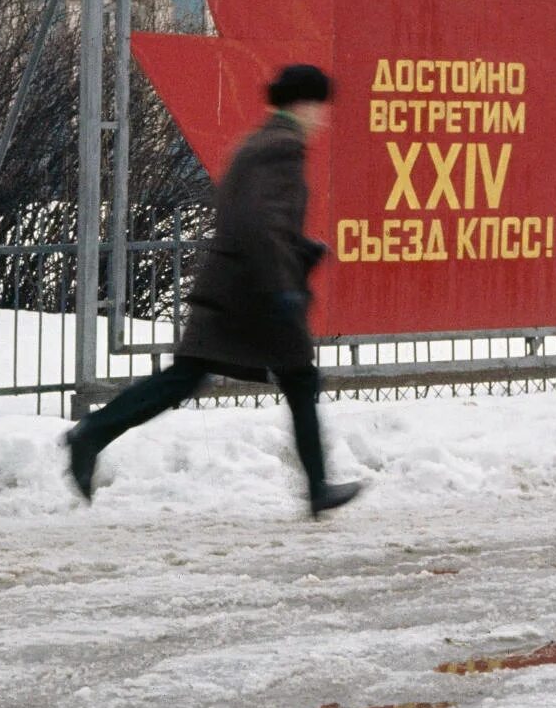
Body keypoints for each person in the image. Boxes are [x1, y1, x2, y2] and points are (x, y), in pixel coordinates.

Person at [64, 64, 362, 517]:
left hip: (238, 287)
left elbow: (255, 219)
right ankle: (318, 487)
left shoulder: (258, 144)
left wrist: (300, 248)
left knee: (191, 377)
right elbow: (260, 225)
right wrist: (285, 285)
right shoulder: (281, 149)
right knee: (295, 379)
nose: (324, 117)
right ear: (304, 104)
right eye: (320, 106)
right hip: (256, 293)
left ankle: (92, 433)